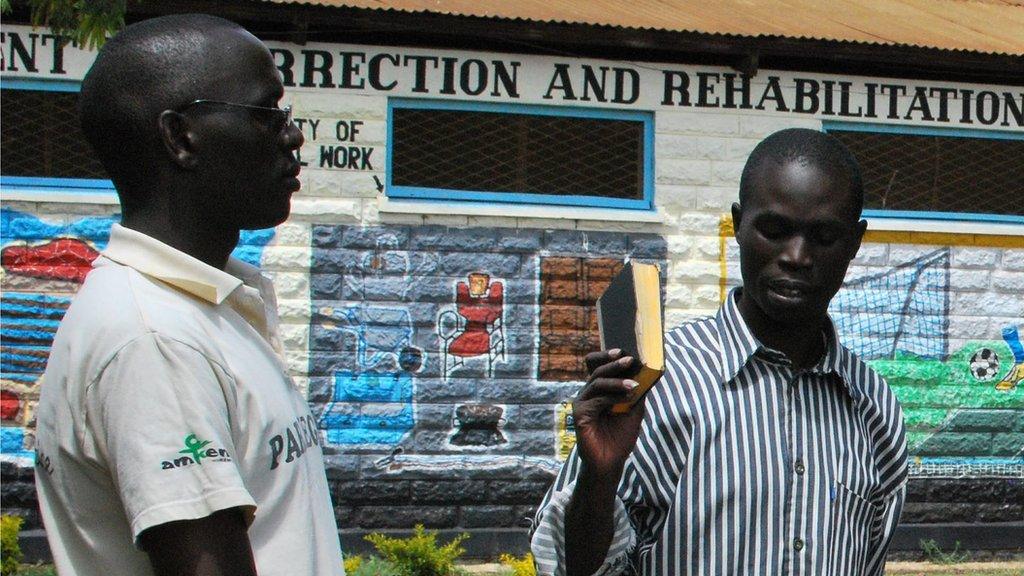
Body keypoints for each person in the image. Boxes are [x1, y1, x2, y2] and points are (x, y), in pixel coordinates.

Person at [33, 14, 345, 576]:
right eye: (266, 113)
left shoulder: (199, 307)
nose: (292, 135)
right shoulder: (154, 340)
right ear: (181, 138)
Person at [531, 128, 907, 576]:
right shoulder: (656, 386)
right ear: (737, 224)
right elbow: (566, 569)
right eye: (774, 230)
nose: (797, 256)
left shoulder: (875, 409)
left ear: (855, 242)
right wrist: (600, 477)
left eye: (824, 237)